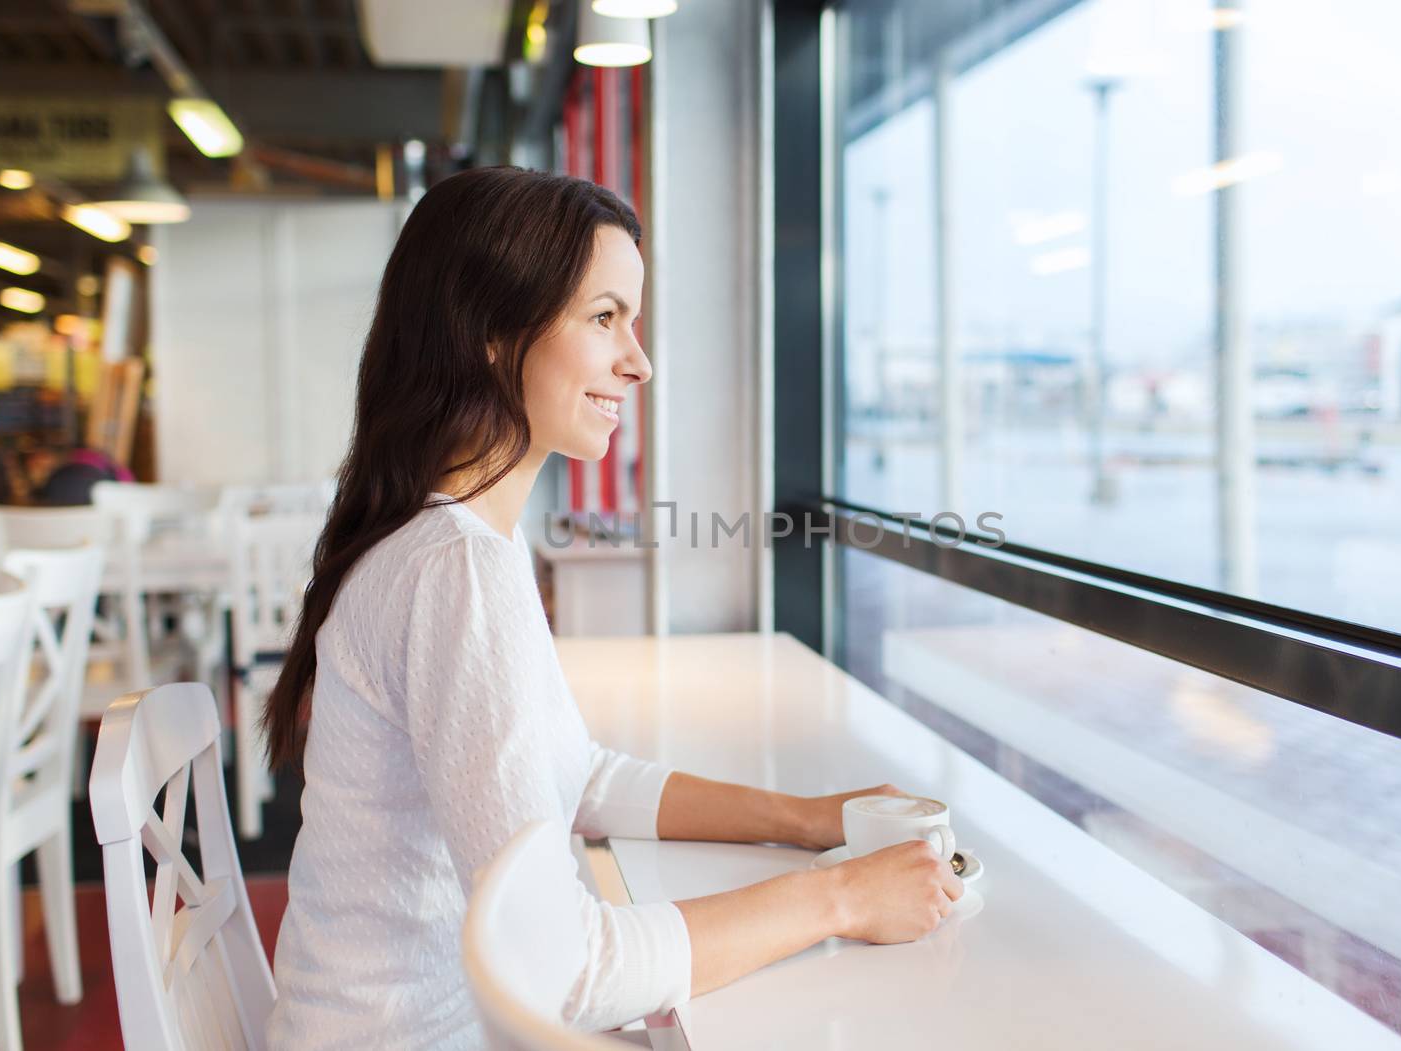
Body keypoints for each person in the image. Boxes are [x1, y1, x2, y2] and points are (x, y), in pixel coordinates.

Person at [263, 166, 963, 1049]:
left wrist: (809, 819)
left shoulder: (469, 541)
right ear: (490, 330)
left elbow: (578, 775)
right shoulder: (455, 570)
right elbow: (561, 966)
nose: (639, 360)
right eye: (605, 318)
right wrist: (842, 896)